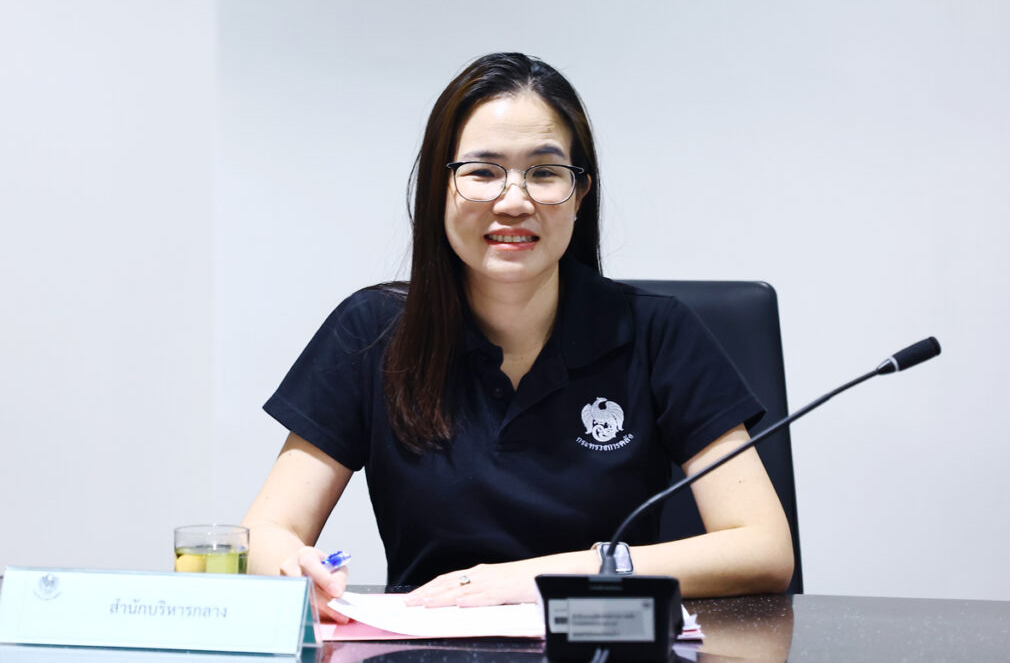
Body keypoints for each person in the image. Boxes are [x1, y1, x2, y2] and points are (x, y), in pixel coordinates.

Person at [242, 52, 794, 622]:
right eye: (482, 172)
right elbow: (265, 532)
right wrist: (293, 570)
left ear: (580, 193)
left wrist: (536, 579)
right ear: (439, 189)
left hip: (601, 645)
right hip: (427, 648)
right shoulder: (374, 331)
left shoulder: (657, 332)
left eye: (544, 172)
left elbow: (763, 548)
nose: (513, 201)